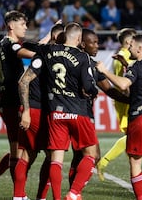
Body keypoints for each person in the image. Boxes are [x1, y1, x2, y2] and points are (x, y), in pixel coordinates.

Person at [30, 22, 98, 200]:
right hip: (77, 111)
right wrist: (93, 91)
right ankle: (74, 193)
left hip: (56, 113)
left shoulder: (48, 51)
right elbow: (89, 86)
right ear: (78, 38)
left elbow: (37, 46)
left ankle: (57, 198)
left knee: (56, 160)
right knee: (91, 155)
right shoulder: (83, 57)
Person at [0, 10, 39, 200]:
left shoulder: (1, 46)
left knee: (18, 149)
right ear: (11, 26)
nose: (26, 27)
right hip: (12, 102)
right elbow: (29, 53)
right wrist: (50, 51)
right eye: (23, 24)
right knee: (20, 151)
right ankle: (19, 195)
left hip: (6, 101)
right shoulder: (11, 45)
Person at [96, 34, 142, 200]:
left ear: (140, 49)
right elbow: (139, 85)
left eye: (132, 45)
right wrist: (126, 66)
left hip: (140, 119)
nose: (129, 48)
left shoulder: (136, 67)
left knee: (135, 162)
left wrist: (105, 71)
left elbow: (123, 85)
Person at [68, 28, 130, 186]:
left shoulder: (94, 65)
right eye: (93, 42)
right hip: (80, 114)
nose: (97, 46)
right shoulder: (76, 63)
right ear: (83, 44)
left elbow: (109, 90)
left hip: (81, 114)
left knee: (78, 156)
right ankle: (74, 192)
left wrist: (131, 100)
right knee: (93, 156)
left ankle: (73, 190)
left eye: (97, 42)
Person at [13, 23, 64, 200]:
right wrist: (26, 111)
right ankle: (38, 197)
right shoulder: (46, 57)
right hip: (37, 111)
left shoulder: (44, 53)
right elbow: (23, 81)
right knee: (51, 156)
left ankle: (19, 196)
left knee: (29, 153)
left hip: (39, 110)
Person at [96, 28, 136, 181]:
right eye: (135, 40)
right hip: (127, 99)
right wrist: (129, 97)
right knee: (133, 136)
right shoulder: (125, 56)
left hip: (123, 99)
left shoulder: (122, 55)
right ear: (128, 41)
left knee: (132, 137)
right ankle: (103, 162)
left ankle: (135, 172)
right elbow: (125, 80)